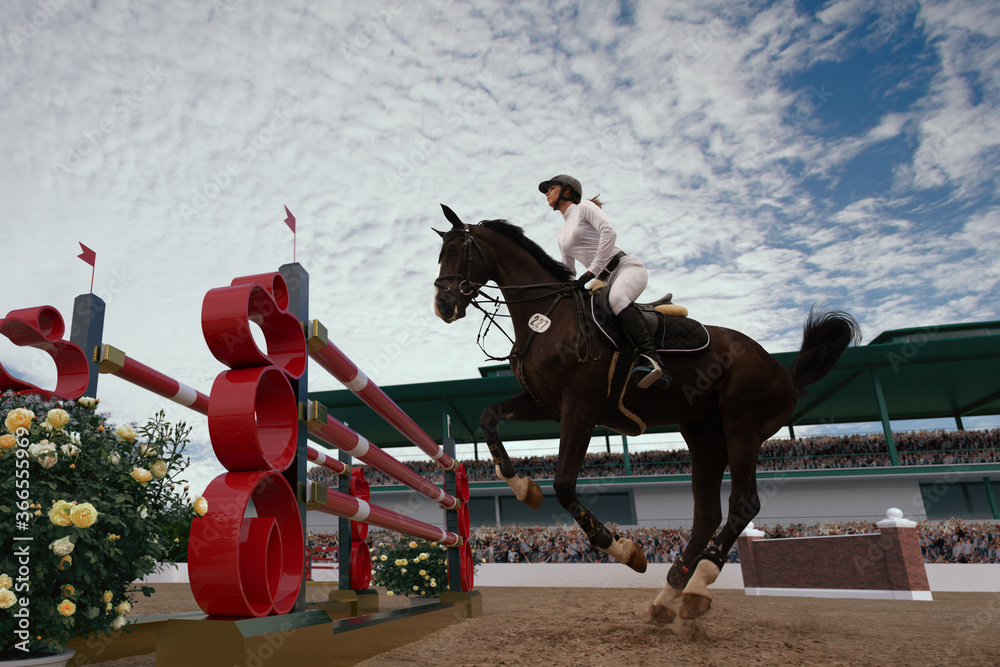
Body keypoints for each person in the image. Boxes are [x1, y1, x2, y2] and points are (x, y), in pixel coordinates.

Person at [538, 174, 668, 388]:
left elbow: (609, 232)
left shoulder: (585, 207)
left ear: (567, 191)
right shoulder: (561, 234)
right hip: (603, 281)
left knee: (617, 298)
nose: (547, 193)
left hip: (626, 268)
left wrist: (591, 272)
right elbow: (568, 270)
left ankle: (653, 360)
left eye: (551, 188)